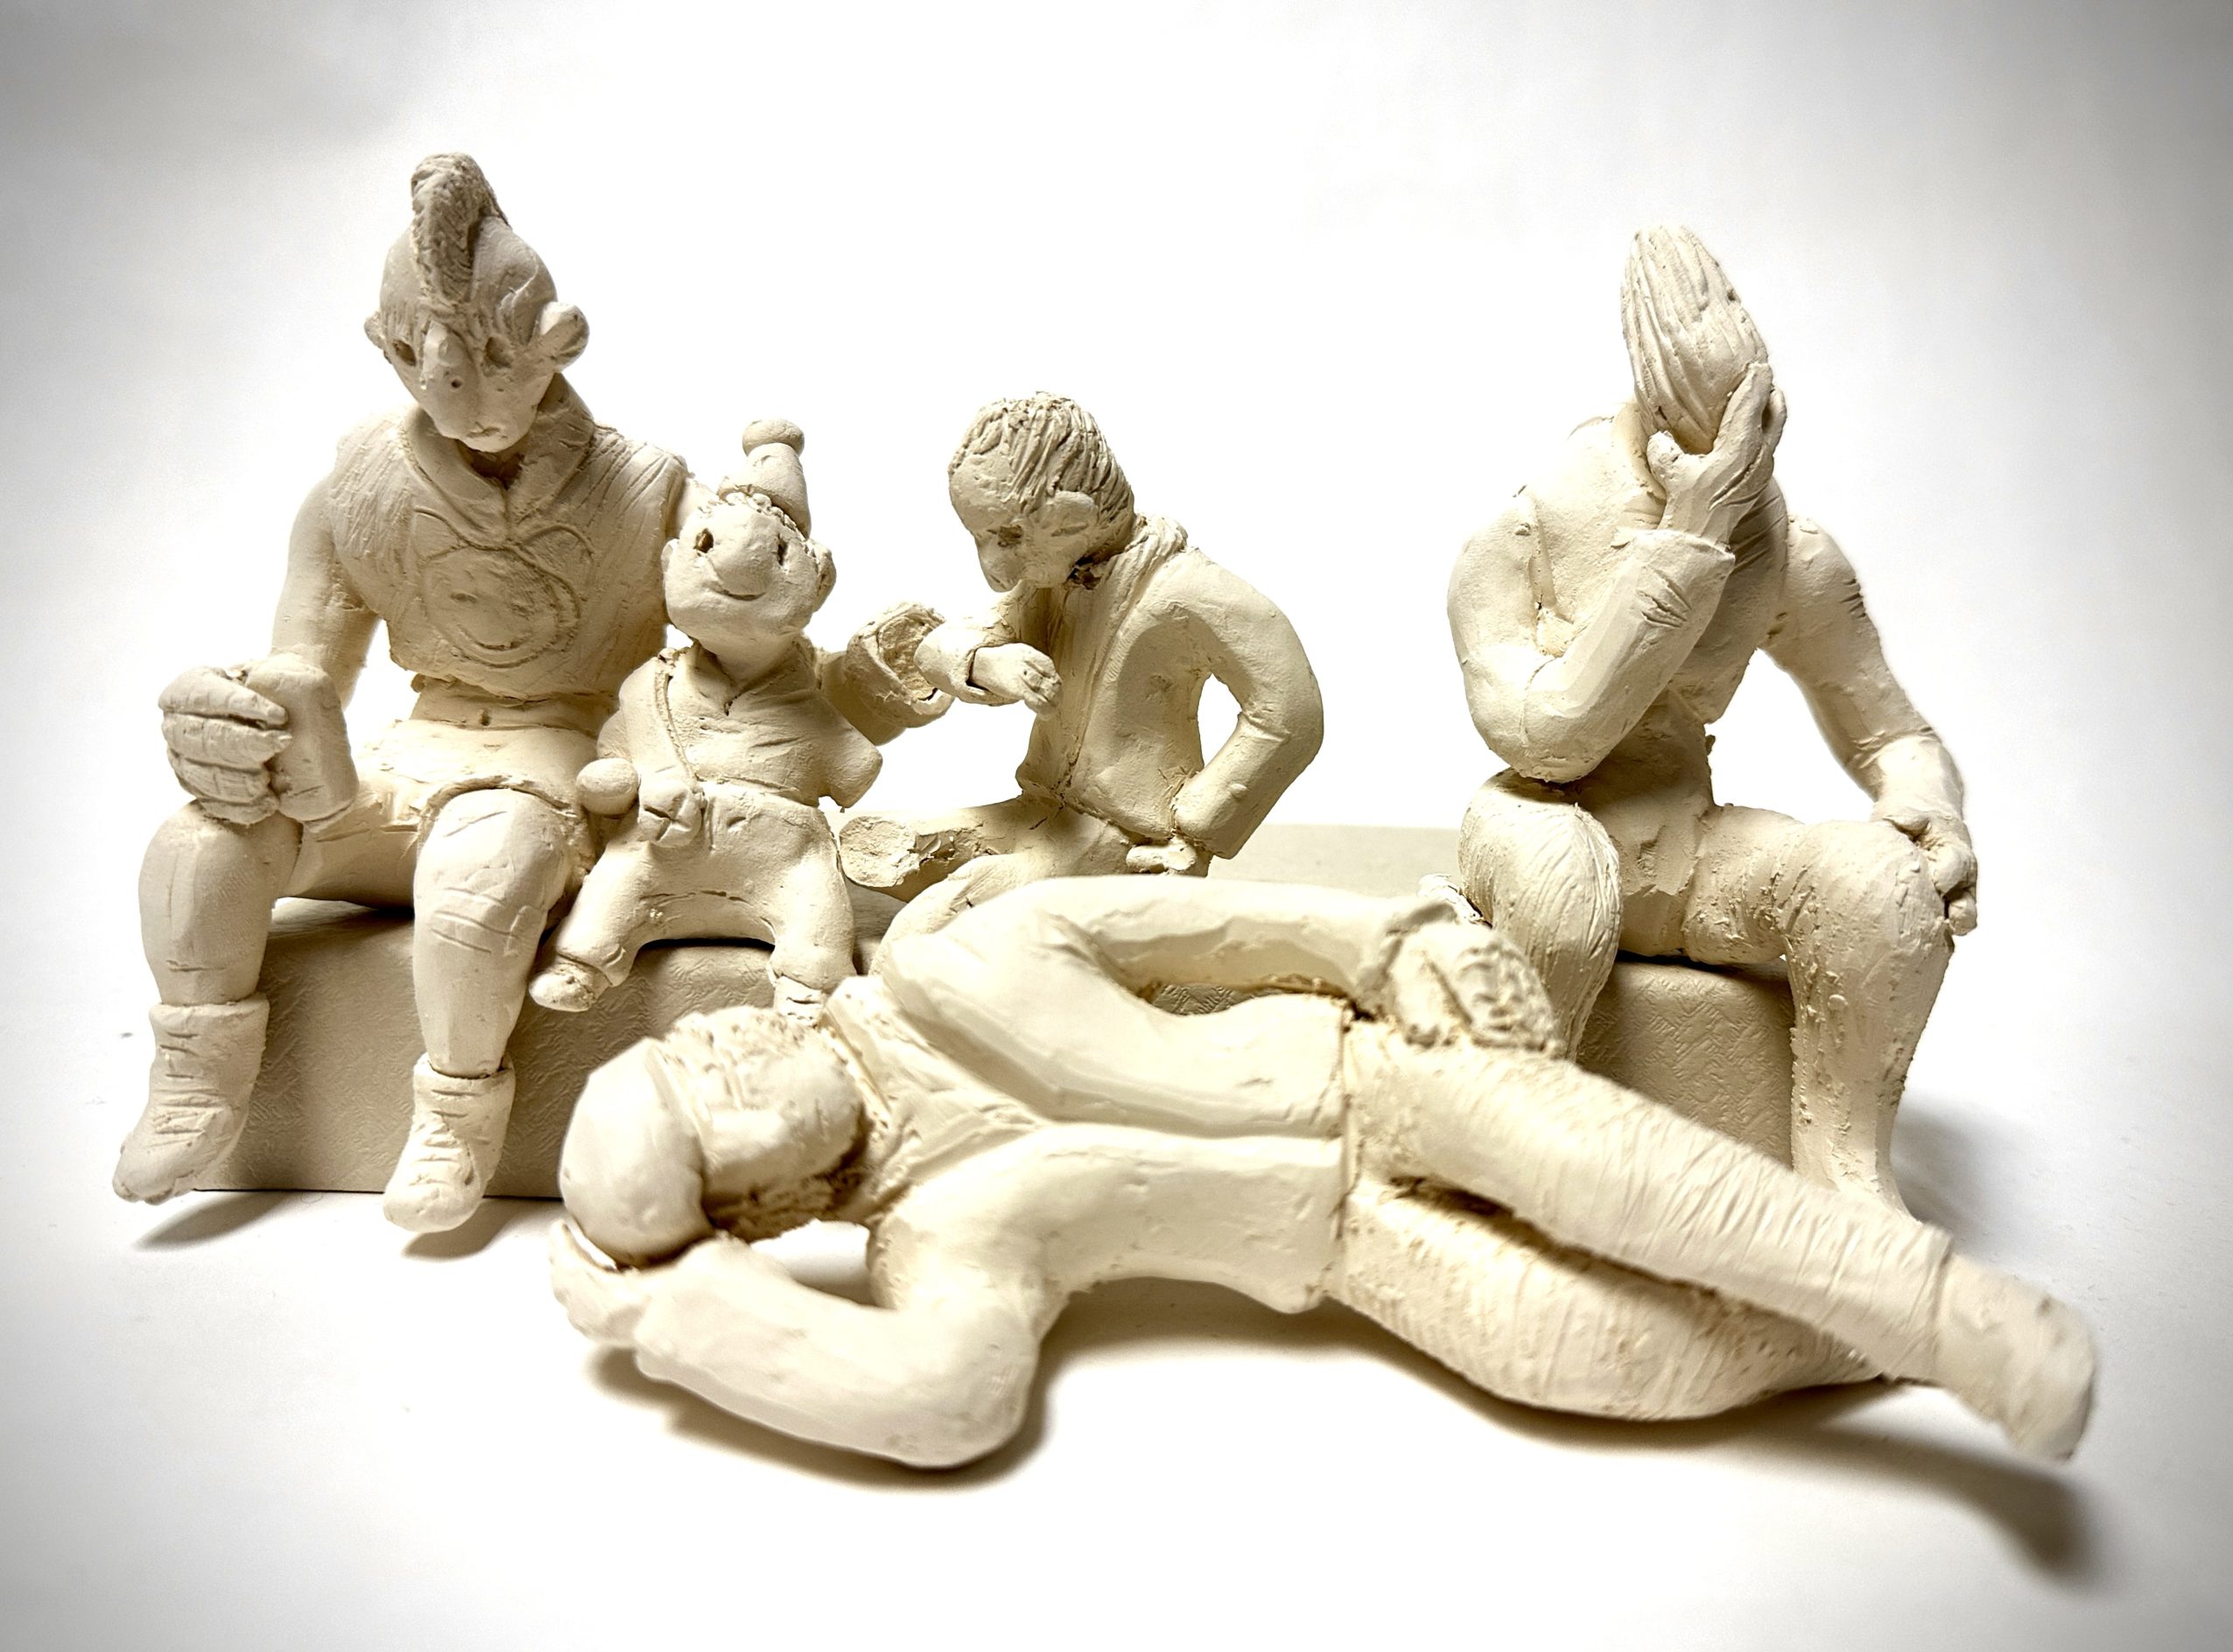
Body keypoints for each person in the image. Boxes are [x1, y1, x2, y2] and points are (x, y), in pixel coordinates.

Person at [550, 875, 2093, 1471]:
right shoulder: (940, 1238)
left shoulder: (967, 953)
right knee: (1597, 1353)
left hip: (1388, 1082)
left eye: (692, 1045)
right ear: (756, 1213)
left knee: (1623, 1179)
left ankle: (1958, 1315)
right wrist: (678, 1316)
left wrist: (1387, 939)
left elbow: (1220, 922)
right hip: (1344, 1247)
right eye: (702, 1115)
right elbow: (951, 1398)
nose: (722, 1049)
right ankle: (1887, 1341)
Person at [116, 153, 696, 1232]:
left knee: (477, 882)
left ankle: (457, 1113)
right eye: (431, 364)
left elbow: (728, 652)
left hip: (556, 762)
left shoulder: (649, 486)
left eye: (495, 360)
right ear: (391, 352)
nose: (463, 395)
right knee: (198, 847)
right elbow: (303, 672)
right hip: (402, 757)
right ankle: (198, 1079)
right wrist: (232, 719)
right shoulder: (358, 485)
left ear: (555, 339)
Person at [1447, 225, 1977, 1206]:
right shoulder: (1527, 530)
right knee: (1563, 896)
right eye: (1721, 463)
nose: (1739, 480)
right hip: (1542, 822)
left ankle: (1845, 1190)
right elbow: (1549, 738)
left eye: (1751, 459)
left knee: (1877, 884)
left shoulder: (1781, 547)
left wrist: (1927, 806)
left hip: (1688, 848)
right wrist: (1687, 543)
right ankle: (1509, 1172)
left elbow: (1893, 734)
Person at [838, 394, 1324, 950]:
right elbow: (944, 645)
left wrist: (1196, 832)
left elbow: (1290, 712)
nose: (996, 569)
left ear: (1073, 517)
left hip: (1122, 841)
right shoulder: (1051, 583)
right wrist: (984, 662)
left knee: (932, 925)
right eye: (982, 538)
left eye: (1009, 537)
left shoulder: (1191, 593)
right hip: (1038, 812)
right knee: (871, 845)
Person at [530, 423, 944, 1020]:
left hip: (783, 857)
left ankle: (809, 983)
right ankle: (584, 963)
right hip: (664, 848)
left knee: (816, 905)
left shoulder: (815, 690)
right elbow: (614, 764)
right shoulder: (650, 688)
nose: (739, 572)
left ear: (819, 580)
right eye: (705, 546)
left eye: (777, 555)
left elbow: (857, 767)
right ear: (670, 563)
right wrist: (611, 785)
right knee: (615, 886)